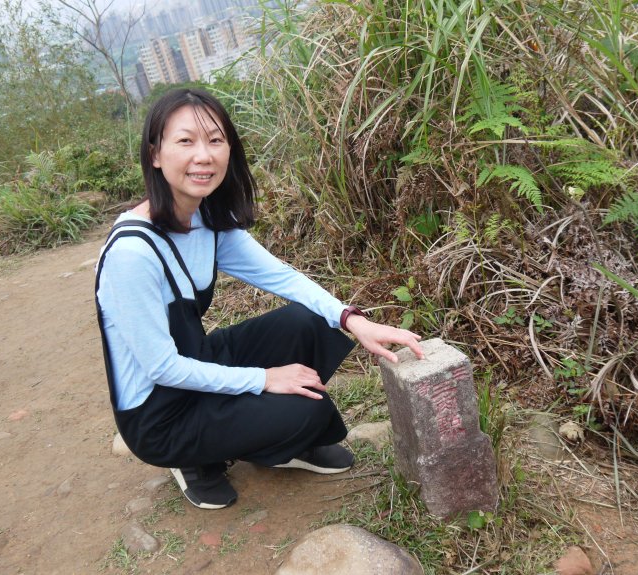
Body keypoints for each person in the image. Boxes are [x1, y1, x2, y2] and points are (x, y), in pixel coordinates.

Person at [94, 88, 424, 510]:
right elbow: (161, 367)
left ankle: (280, 439)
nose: (204, 155)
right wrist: (265, 379)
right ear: (155, 154)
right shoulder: (132, 253)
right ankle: (194, 457)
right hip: (160, 415)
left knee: (312, 320)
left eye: (215, 140)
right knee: (303, 412)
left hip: (197, 361)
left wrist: (354, 320)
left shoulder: (205, 220)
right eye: (185, 141)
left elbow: (281, 277)